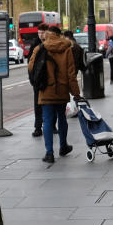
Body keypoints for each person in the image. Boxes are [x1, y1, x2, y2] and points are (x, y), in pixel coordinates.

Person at [29, 25, 80, 164]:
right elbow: (71, 74)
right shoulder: (67, 49)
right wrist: (76, 93)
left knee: (47, 121)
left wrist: (36, 84)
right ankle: (63, 146)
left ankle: (49, 153)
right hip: (62, 91)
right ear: (59, 35)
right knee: (62, 118)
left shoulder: (40, 48)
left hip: (45, 90)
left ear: (48, 34)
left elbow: (31, 67)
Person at [28, 23, 50, 137]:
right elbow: (30, 64)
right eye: (39, 32)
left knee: (50, 103)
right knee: (37, 104)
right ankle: (38, 127)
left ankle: (52, 125)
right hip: (37, 81)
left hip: (49, 80)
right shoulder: (35, 45)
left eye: (42, 32)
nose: (40, 34)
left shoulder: (51, 44)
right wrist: (32, 80)